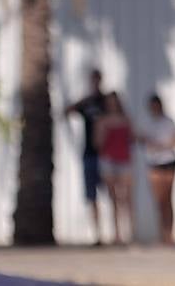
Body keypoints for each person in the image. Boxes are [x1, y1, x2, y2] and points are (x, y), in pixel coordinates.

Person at [65, 68, 106, 245]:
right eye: (92, 80)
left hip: (106, 155)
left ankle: (119, 235)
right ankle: (98, 235)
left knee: (113, 193)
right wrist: (87, 98)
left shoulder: (107, 101)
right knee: (92, 196)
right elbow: (68, 110)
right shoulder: (88, 103)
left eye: (97, 79)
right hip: (89, 153)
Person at [138, 93, 175, 244]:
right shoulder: (147, 122)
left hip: (168, 162)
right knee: (159, 200)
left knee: (168, 198)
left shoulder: (168, 122)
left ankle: (170, 234)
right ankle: (162, 234)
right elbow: (141, 139)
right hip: (154, 163)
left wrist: (162, 145)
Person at [94, 91, 135, 245]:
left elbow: (132, 138)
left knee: (127, 197)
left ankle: (131, 232)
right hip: (109, 161)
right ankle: (117, 233)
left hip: (124, 160)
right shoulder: (102, 121)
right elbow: (97, 143)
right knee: (114, 198)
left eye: (114, 101)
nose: (112, 105)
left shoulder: (126, 120)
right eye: (109, 102)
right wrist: (103, 132)